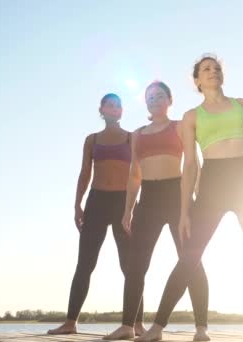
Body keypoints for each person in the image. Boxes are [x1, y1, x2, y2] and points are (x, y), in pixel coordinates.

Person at [136, 55, 243, 342]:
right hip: (212, 184)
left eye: (216, 68)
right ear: (197, 81)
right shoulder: (191, 117)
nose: (212, 72)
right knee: (189, 257)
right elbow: (190, 164)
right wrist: (184, 211)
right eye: (206, 69)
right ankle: (156, 328)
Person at [103, 81, 210, 340]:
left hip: (176, 195)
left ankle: (201, 328)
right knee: (135, 264)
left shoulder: (180, 126)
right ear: (146, 102)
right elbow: (134, 174)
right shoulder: (138, 134)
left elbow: (192, 164)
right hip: (148, 199)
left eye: (160, 95)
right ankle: (128, 326)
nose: (155, 100)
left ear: (169, 100)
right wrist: (128, 209)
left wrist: (193, 198)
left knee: (191, 260)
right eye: (150, 97)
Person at [47, 94, 142, 335]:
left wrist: (132, 208)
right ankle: (70, 322)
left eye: (117, 105)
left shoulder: (132, 138)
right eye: (108, 105)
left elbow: (137, 174)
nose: (113, 108)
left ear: (121, 112)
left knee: (129, 265)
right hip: (97, 201)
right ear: (102, 110)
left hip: (124, 202)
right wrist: (77, 204)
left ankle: (136, 323)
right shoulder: (92, 140)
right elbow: (84, 173)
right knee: (85, 264)